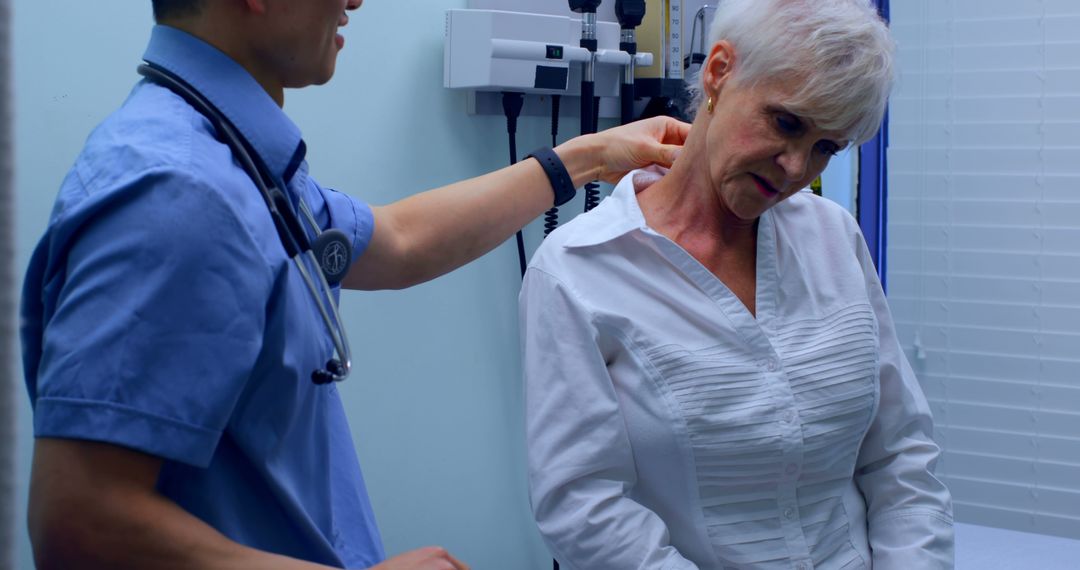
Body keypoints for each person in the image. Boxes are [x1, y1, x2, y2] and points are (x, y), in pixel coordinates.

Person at [19, 1, 689, 569]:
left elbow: (397, 240)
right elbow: (81, 519)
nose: (357, 0)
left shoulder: (235, 162)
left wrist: (591, 154)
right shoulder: (179, 192)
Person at [519, 0, 954, 568]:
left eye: (827, 147)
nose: (797, 168)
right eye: (787, 123)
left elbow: (900, 456)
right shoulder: (580, 268)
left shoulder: (833, 237)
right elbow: (584, 505)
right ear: (720, 72)